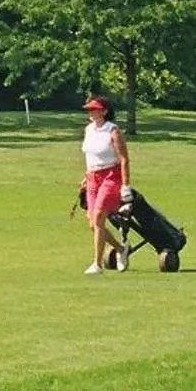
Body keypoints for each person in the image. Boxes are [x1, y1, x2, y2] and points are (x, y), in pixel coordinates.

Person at [80, 96, 131, 275]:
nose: (91, 112)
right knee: (93, 223)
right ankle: (121, 249)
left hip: (111, 176)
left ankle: (97, 264)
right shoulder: (89, 130)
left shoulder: (113, 131)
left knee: (99, 215)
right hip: (93, 177)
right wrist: (86, 177)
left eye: (94, 109)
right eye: (89, 110)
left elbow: (124, 159)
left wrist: (125, 186)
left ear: (104, 111)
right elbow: (90, 155)